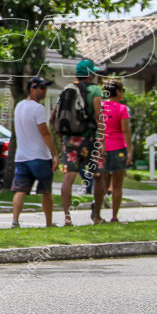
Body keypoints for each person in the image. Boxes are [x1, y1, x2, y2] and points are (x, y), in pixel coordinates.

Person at [51, 58, 104, 226]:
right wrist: (101, 139)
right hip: (90, 140)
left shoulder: (67, 90)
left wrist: (61, 138)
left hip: (70, 140)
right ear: (90, 75)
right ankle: (96, 216)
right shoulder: (95, 90)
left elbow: (53, 117)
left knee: (68, 177)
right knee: (98, 176)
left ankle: (67, 218)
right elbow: (98, 116)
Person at [10, 76, 58, 228]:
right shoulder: (38, 109)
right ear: (32, 89)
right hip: (40, 157)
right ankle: (49, 223)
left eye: (45, 87)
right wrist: (55, 153)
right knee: (46, 191)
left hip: (21, 157)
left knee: (21, 190)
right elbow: (45, 132)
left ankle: (15, 221)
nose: (44, 91)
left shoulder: (19, 106)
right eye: (41, 88)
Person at [98, 79, 132, 222]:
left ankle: (97, 213)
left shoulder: (100, 107)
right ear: (117, 91)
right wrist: (130, 150)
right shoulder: (122, 109)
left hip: (102, 149)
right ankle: (114, 216)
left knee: (102, 184)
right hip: (118, 148)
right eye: (122, 90)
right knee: (117, 185)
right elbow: (125, 130)